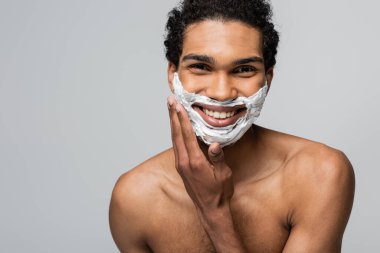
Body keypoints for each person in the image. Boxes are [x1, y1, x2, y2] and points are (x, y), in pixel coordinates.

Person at [109, 0, 355, 252]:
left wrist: (214, 214)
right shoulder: (134, 199)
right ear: (173, 75)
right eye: (201, 67)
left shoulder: (319, 174)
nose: (221, 93)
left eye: (244, 69)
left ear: (267, 81)